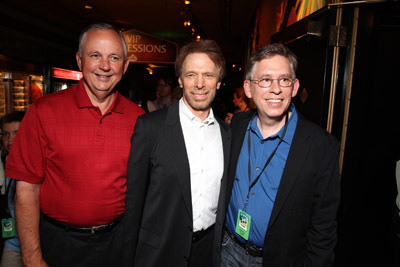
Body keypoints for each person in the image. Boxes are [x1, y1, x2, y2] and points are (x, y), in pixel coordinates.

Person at [5, 23, 144, 267]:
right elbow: (26, 190)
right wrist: (32, 257)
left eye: (114, 57)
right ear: (79, 61)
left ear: (125, 66)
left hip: (118, 243)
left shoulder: (140, 120)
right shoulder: (43, 111)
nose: (104, 65)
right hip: (58, 243)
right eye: (95, 55)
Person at [221, 43, 340, 267]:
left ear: (294, 88)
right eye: (265, 79)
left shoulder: (321, 146)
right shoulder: (236, 126)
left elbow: (323, 228)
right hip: (227, 250)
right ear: (248, 89)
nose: (276, 89)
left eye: (284, 80)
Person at [123, 40, 231, 267]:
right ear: (180, 80)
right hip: (159, 253)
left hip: (208, 253)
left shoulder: (227, 134)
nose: (199, 84)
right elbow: (133, 203)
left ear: (219, 82)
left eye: (208, 75)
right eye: (191, 75)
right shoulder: (150, 127)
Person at [0, 111, 25, 267]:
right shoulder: (3, 162)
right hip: (12, 240)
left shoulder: (37, 164)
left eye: (16, 133)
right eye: (5, 134)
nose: (10, 140)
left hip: (39, 240)